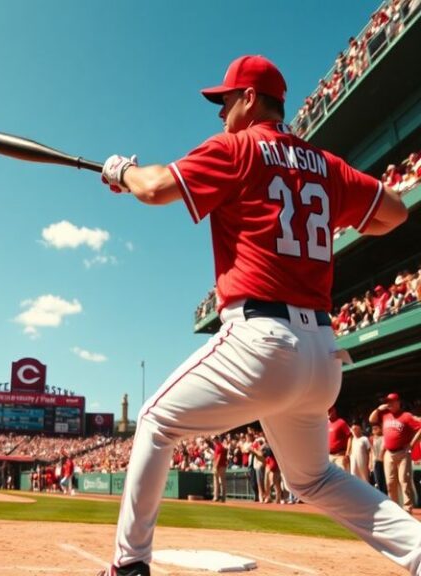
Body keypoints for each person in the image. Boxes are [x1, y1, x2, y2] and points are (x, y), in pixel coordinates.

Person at [98, 55, 419, 576]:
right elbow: (394, 213)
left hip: (263, 337)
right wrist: (337, 221)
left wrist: (122, 170)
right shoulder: (325, 163)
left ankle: (128, 566)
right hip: (323, 354)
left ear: (250, 98)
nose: (220, 111)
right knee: (312, 478)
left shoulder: (238, 145)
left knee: (155, 421)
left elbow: (154, 188)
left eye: (225, 99)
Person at [370, 393, 421, 513]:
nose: (389, 404)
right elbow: (371, 420)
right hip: (389, 453)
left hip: (403, 452)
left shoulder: (406, 416)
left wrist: (412, 444)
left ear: (398, 402)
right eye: (388, 401)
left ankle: (408, 508)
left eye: (392, 401)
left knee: (404, 480)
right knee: (390, 482)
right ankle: (395, 508)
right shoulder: (384, 414)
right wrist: (378, 409)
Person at [328, 406, 352, 471]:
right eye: (326, 411)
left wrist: (347, 453)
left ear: (334, 410)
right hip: (329, 456)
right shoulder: (326, 424)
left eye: (330, 411)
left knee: (343, 477)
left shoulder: (341, 422)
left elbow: (350, 436)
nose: (328, 413)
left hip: (340, 455)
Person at [370, 424, 387, 494]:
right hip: (375, 461)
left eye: (376, 428)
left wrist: (380, 457)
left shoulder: (384, 437)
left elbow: (384, 448)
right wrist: (370, 462)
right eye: (373, 428)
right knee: (377, 480)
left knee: (384, 480)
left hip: (383, 461)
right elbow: (371, 451)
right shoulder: (371, 438)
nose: (374, 430)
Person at [211, 435, 227, 502]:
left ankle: (218, 497)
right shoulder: (218, 446)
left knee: (219, 481)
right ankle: (219, 497)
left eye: (214, 439)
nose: (214, 441)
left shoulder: (219, 447)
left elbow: (219, 457)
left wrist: (216, 466)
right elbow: (216, 457)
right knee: (219, 481)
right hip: (220, 465)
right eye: (213, 440)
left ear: (217, 439)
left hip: (220, 466)